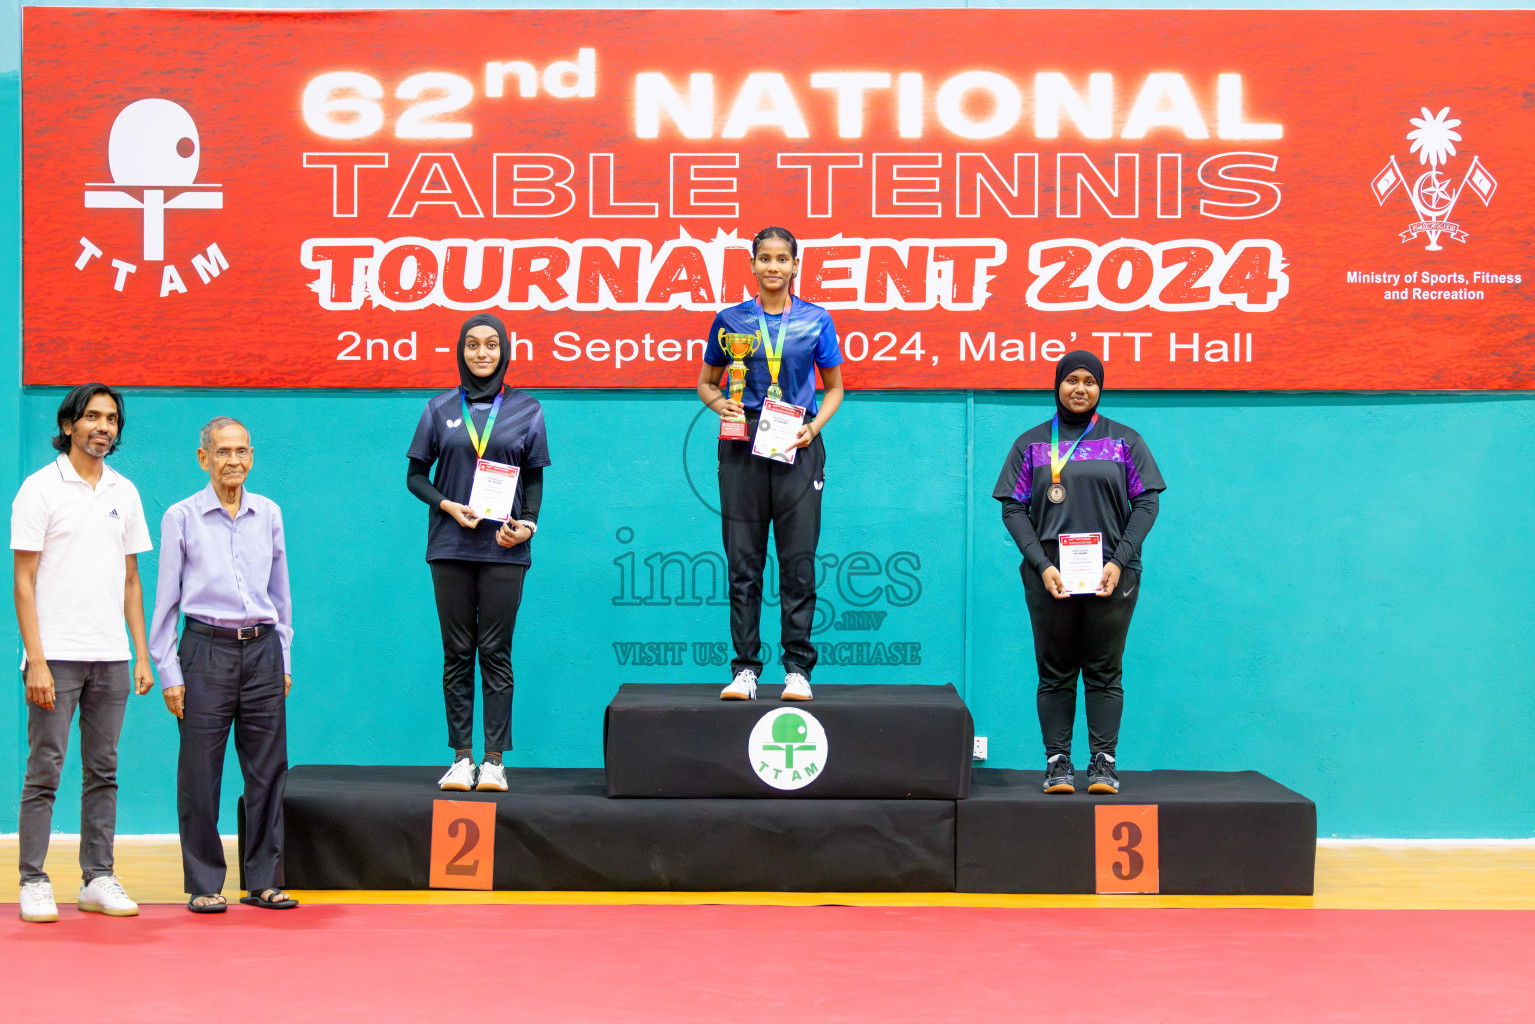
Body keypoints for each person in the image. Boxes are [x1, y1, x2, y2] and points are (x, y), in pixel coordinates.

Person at [11, 384, 155, 923]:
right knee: (44, 770)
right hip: (57, 656)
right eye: (92, 416)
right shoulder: (39, 489)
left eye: (111, 419)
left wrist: (140, 653)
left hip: (112, 657)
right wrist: (38, 659)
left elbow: (131, 580)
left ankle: (97, 878)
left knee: (104, 771)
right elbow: (23, 580)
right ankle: (33, 880)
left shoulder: (125, 491)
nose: (103, 426)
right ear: (69, 423)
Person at [992, 351, 1165, 795]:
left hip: (1112, 574)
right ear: (1058, 385)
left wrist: (1119, 559)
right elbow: (1012, 508)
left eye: (1090, 381)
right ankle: (1057, 763)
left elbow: (1147, 503)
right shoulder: (1031, 443)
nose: (1081, 388)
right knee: (1055, 672)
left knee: (1105, 670)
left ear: (1100, 388)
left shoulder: (1124, 441)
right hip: (1050, 577)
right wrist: (1041, 564)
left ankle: (1103, 764)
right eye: (1072, 380)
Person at [150, 416, 297, 913]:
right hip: (204, 650)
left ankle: (263, 880)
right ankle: (205, 883)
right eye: (223, 452)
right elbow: (166, 601)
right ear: (204, 458)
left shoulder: (270, 513)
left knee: (268, 771)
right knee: (199, 773)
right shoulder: (181, 517)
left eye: (242, 452)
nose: (233, 461)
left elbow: (281, 593)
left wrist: (284, 656)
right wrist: (169, 671)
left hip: (262, 651)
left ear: (251, 456)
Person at [696, 226, 844, 702]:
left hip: (797, 443)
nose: (774, 267)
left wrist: (813, 427)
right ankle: (745, 670)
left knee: (798, 562)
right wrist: (723, 407)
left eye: (783, 259)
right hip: (742, 444)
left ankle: (797, 669)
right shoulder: (730, 320)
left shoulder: (817, 320)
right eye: (765, 259)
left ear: (796, 265)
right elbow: (706, 384)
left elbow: (836, 388)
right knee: (744, 562)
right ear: (753, 265)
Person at [407, 313, 549, 792]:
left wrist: (527, 525)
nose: (482, 353)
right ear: (462, 351)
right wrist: (447, 504)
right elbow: (415, 477)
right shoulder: (438, 408)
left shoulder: (527, 409)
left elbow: (533, 478)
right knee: (457, 652)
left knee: (495, 651)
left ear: (504, 351)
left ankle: (493, 762)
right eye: (473, 345)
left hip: (503, 548)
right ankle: (461, 758)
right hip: (449, 545)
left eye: (491, 345)